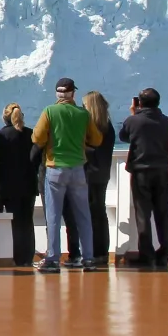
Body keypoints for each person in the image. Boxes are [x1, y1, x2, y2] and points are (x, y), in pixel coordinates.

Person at [32, 78, 102, 273]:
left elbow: (37, 138)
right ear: (72, 93)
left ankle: (53, 259)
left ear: (57, 93)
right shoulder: (83, 114)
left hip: (55, 168)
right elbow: (96, 139)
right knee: (83, 215)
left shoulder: (49, 112)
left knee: (53, 216)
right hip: (78, 168)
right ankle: (88, 258)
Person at [118, 87, 168, 269]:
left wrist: (135, 113)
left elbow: (124, 136)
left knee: (143, 214)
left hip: (141, 172)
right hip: (162, 171)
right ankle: (164, 252)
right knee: (163, 213)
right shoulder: (167, 122)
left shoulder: (133, 121)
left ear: (140, 102)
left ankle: (147, 254)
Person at [0, 103, 41, 270]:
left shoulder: (1, 135)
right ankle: (27, 257)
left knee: (14, 224)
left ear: (5, 118)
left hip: (8, 187)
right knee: (26, 222)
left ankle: (16, 258)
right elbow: (36, 158)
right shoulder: (30, 133)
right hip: (28, 185)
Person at [73, 91, 116, 268]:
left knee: (87, 214)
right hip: (103, 174)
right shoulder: (108, 126)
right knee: (100, 212)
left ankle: (89, 252)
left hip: (87, 173)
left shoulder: (88, 127)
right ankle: (101, 253)